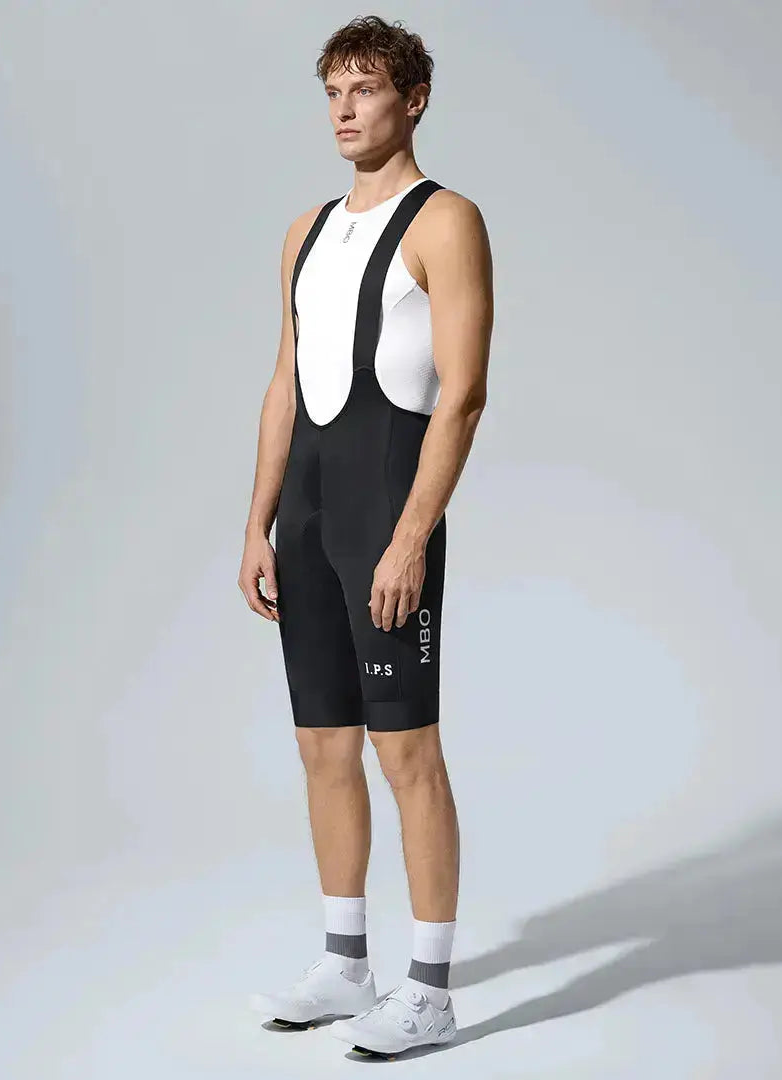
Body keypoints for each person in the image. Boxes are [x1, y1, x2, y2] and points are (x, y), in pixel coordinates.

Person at [239, 14, 493, 1058]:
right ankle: (347, 963)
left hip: (386, 511)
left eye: (366, 90)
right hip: (306, 515)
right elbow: (284, 382)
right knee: (321, 744)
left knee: (407, 750)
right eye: (333, 93)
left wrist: (410, 537)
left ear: (413, 100)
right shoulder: (305, 230)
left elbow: (463, 394)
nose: (344, 111)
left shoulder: (448, 220)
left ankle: (430, 992)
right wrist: (258, 524)